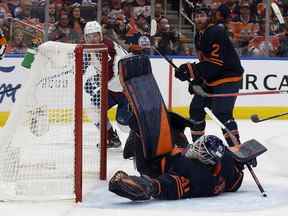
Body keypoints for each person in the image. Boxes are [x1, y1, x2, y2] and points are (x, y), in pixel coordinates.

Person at [174, 6, 244, 147]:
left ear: (209, 17)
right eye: (196, 16)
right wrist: (198, 80)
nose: (199, 19)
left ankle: (236, 148)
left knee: (222, 113)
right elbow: (205, 63)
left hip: (228, 78)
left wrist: (191, 70)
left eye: (202, 16)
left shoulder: (216, 32)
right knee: (196, 109)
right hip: (212, 79)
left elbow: (216, 63)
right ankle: (199, 147)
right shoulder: (199, 35)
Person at [109, 134, 244, 201]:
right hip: (174, 153)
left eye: (200, 150)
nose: (196, 147)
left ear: (206, 160)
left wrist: (149, 185)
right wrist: (242, 159)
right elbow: (235, 180)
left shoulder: (196, 176)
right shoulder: (226, 162)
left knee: (139, 133)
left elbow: (170, 184)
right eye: (198, 144)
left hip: (154, 163)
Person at [83, 20, 131, 148]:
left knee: (124, 124)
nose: (92, 39)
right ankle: (111, 138)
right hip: (111, 88)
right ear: (85, 37)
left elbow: (109, 73)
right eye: (89, 36)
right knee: (93, 109)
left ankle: (138, 139)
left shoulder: (107, 47)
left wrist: (96, 80)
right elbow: (83, 66)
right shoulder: (89, 47)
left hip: (126, 90)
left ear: (100, 35)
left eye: (95, 35)